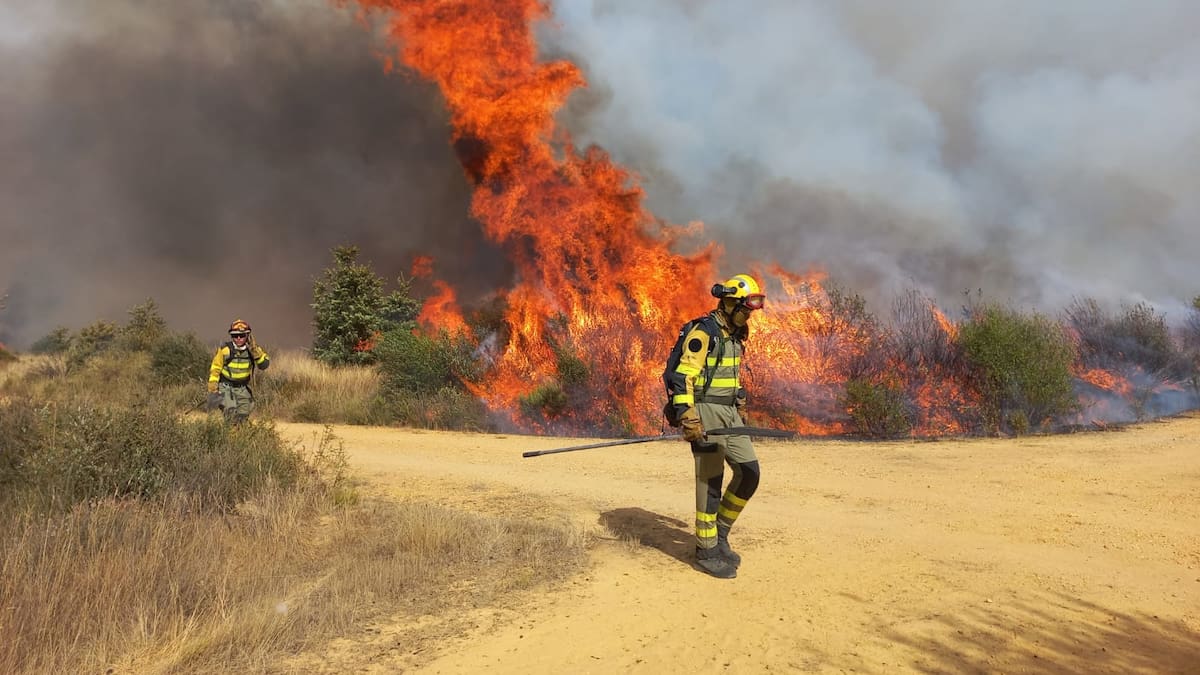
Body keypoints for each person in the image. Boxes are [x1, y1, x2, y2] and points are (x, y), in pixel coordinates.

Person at [666, 274, 765, 579]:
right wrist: (689, 417)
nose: (749, 314)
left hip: (729, 413)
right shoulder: (703, 331)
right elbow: (683, 377)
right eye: (746, 307)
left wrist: (740, 403)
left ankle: (720, 534)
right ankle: (705, 550)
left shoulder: (736, 334)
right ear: (730, 302)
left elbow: (731, 374)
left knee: (750, 473)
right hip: (705, 409)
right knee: (711, 481)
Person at [207, 319, 270, 425]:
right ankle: (229, 439)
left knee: (243, 416)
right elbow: (215, 369)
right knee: (231, 414)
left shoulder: (253, 350)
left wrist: (255, 350)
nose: (239, 338)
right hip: (226, 387)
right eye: (235, 336)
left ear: (248, 335)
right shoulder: (225, 350)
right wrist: (212, 387)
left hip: (242, 389)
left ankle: (239, 438)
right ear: (232, 336)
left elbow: (264, 365)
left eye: (242, 335)